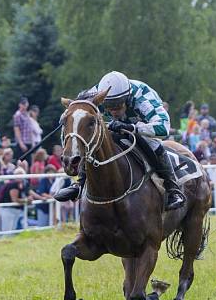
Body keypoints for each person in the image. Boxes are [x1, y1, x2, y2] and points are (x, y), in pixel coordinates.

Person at [54, 71, 186, 210]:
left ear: (127, 97)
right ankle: (80, 184)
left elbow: (163, 128)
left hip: (141, 123)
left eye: (118, 105)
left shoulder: (142, 97)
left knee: (153, 144)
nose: (114, 110)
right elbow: (75, 112)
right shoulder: (95, 94)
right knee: (93, 141)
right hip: (113, 125)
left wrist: (131, 127)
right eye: (109, 106)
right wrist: (66, 116)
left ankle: (172, 188)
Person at [13, 97, 35, 164]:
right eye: (22, 104)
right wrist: (21, 143)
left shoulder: (27, 114)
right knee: (21, 162)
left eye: (25, 104)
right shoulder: (17, 115)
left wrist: (32, 142)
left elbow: (30, 129)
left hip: (29, 142)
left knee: (29, 162)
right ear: (19, 105)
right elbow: (17, 129)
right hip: (22, 142)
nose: (24, 106)